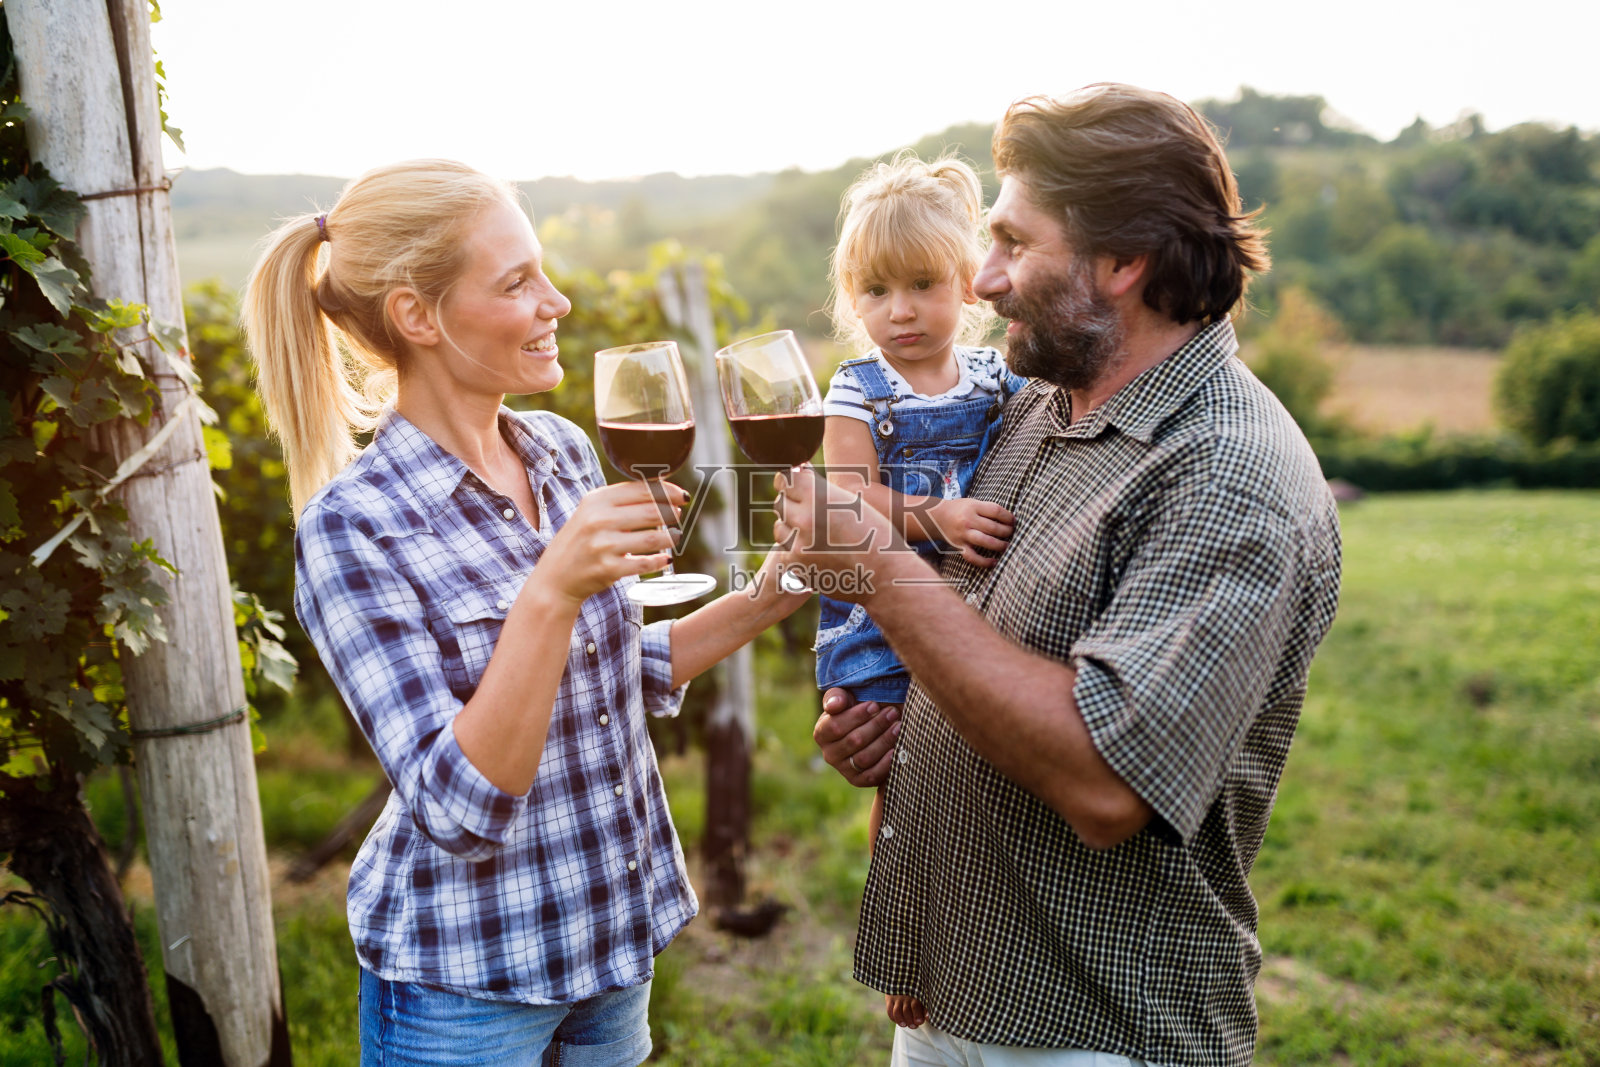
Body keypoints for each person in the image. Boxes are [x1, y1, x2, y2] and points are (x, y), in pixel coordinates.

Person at [778, 85, 1343, 1067]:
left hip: (1090, 1031)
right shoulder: (1041, 402)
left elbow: (1102, 779)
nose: (983, 280)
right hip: (955, 994)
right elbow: (970, 630)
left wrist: (877, 574)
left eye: (1010, 243)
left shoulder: (1225, 471)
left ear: (1124, 263)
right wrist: (889, 722)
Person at [243, 159, 803, 1066]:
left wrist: (780, 586)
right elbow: (456, 808)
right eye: (516, 282)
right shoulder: (354, 529)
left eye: (542, 270)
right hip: (466, 987)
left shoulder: (560, 450)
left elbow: (614, 672)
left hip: (608, 951)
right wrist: (552, 589)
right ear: (417, 316)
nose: (558, 303)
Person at [812, 153, 1025, 1032]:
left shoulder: (996, 378)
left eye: (923, 285)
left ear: (968, 284)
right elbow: (846, 500)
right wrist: (938, 517)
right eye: (875, 291)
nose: (898, 312)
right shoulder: (857, 389)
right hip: (875, 614)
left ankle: (977, 937)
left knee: (971, 782)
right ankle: (908, 947)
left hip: (972, 606)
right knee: (899, 777)